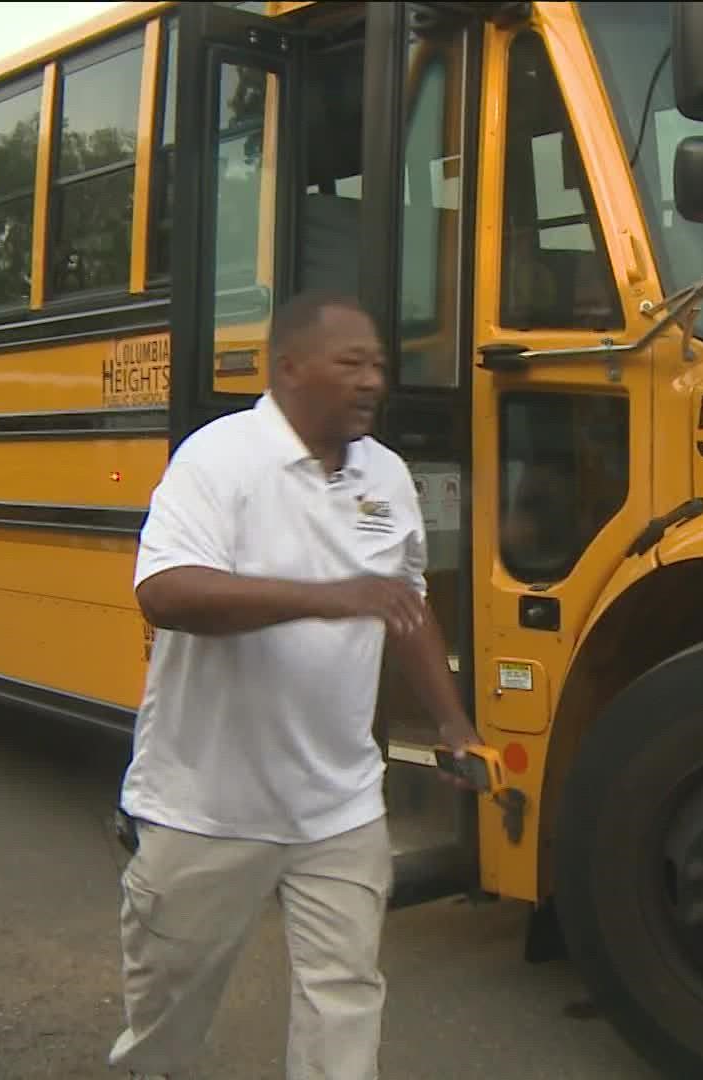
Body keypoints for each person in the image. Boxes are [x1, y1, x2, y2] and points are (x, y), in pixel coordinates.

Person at [107, 290, 481, 1079]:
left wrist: (454, 726)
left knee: (343, 999)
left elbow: (404, 607)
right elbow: (165, 592)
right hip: (207, 808)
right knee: (167, 1021)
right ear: (288, 368)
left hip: (338, 804)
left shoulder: (386, 473)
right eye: (351, 363)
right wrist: (327, 597)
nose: (372, 380)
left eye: (379, 364)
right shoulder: (219, 459)